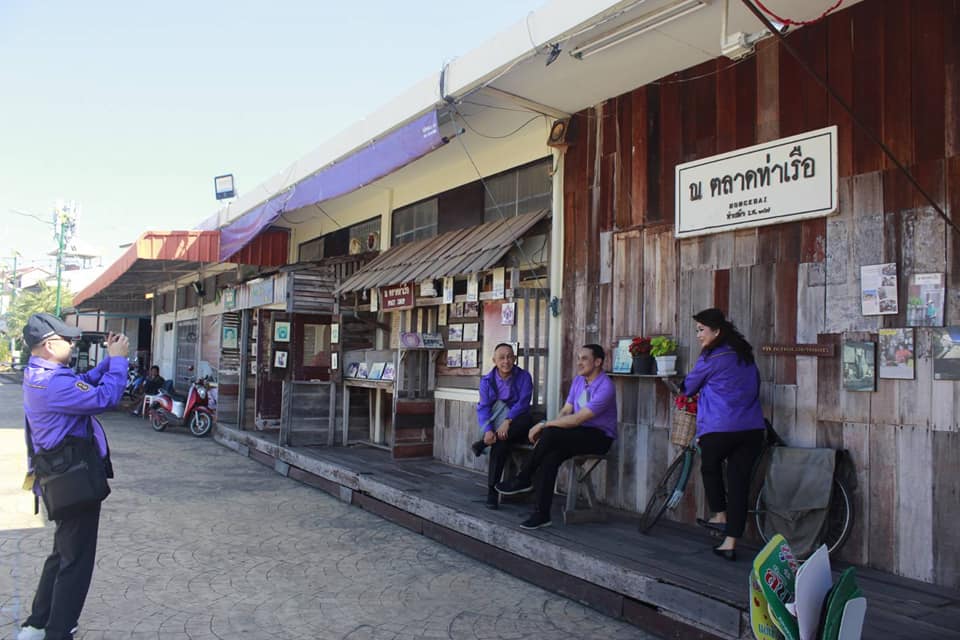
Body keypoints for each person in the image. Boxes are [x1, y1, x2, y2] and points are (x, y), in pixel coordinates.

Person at [18, 313, 129, 640]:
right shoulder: (54, 384)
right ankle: (58, 630)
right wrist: (119, 362)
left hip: (60, 478)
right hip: (74, 479)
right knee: (76, 561)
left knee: (62, 553)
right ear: (49, 345)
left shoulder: (40, 375)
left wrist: (107, 362)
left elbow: (82, 383)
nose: (73, 343)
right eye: (67, 339)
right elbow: (105, 397)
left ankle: (37, 624)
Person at [495, 344, 616, 530]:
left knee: (550, 433)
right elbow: (566, 411)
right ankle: (542, 515)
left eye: (584, 358)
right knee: (550, 456)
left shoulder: (605, 386)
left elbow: (578, 418)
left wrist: (544, 425)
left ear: (598, 362)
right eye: (578, 358)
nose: (579, 363)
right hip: (578, 433)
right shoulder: (579, 381)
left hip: (599, 437)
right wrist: (549, 429)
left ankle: (524, 477)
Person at [680, 308, 765, 562]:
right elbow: (756, 386)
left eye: (701, 330)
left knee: (709, 467)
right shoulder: (745, 355)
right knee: (739, 485)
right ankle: (730, 543)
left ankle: (719, 514)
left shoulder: (712, 357)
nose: (698, 335)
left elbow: (688, 387)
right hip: (752, 429)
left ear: (716, 331)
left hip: (720, 427)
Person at [471, 344, 534, 509]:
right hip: (499, 426)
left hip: (520, 421)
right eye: (502, 358)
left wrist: (508, 420)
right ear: (494, 360)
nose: (506, 361)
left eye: (509, 357)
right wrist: (488, 430)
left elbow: (523, 402)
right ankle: (492, 492)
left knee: (521, 421)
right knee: (501, 442)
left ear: (514, 358)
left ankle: (483, 445)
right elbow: (484, 407)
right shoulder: (487, 381)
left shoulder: (524, 376)